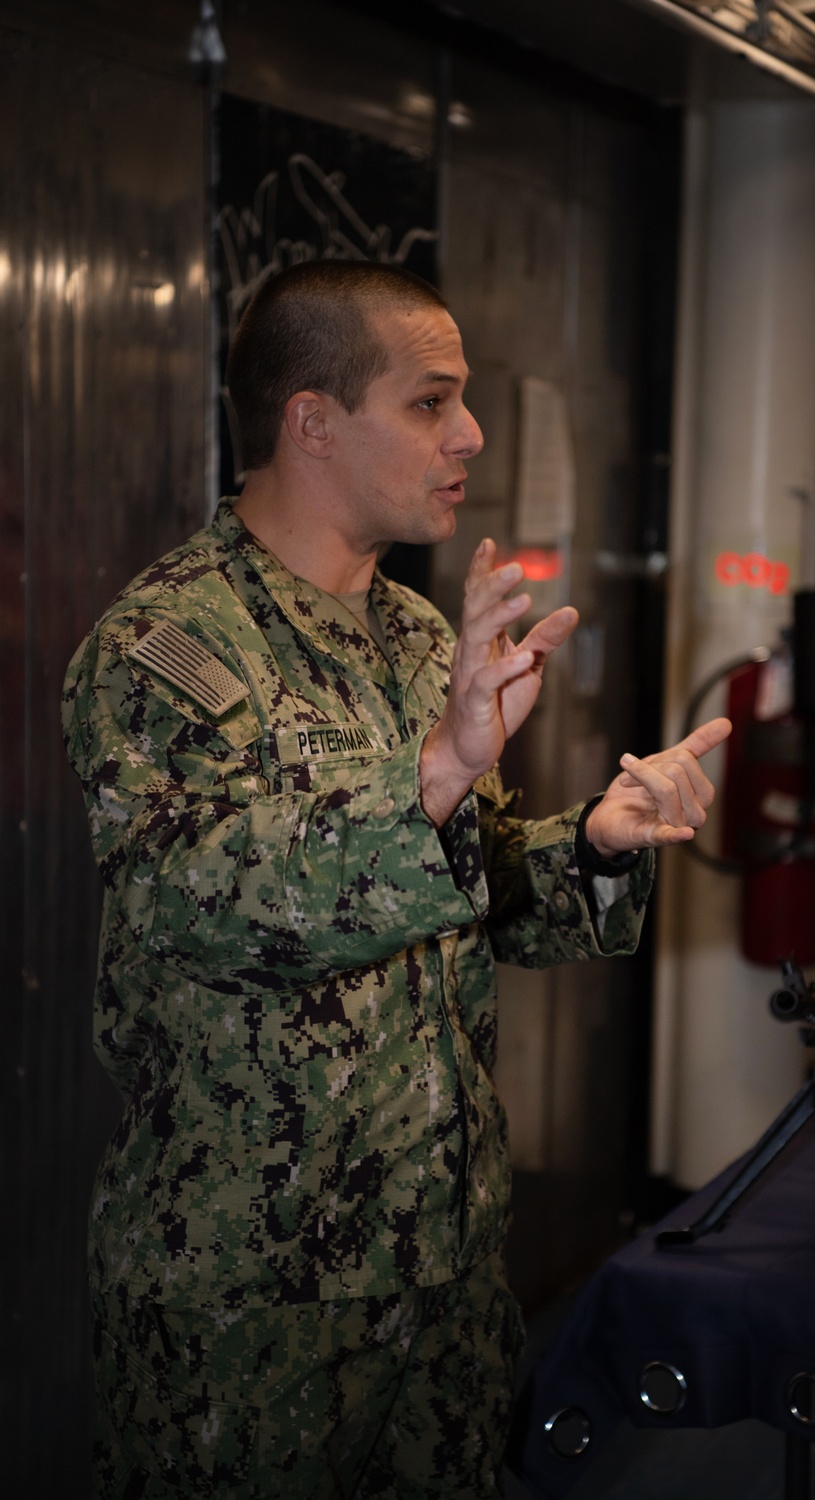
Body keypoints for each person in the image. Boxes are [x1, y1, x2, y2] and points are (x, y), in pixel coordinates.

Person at [62, 260, 730, 1499]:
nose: (469, 434)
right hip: (254, 1298)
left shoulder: (419, 637)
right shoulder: (167, 648)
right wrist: (428, 779)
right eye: (431, 402)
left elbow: (457, 891)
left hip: (443, 1269)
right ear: (311, 420)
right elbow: (187, 903)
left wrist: (592, 840)